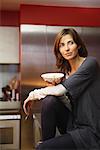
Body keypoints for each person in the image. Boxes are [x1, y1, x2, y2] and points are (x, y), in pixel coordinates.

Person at [23, 28, 100, 149]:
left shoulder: (90, 64)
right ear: (58, 50)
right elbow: (69, 104)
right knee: (50, 100)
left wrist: (33, 95)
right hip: (73, 125)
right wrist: (55, 91)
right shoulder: (66, 74)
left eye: (71, 43)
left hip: (90, 131)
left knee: (41, 148)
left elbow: (60, 90)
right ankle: (46, 143)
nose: (67, 49)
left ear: (78, 45)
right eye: (62, 45)